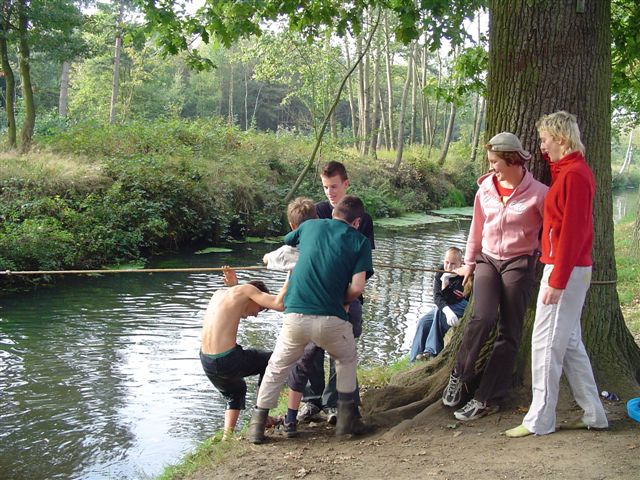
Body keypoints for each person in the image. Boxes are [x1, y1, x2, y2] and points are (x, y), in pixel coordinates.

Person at [505, 111, 608, 438]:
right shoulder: (567, 172)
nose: (541, 146)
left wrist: (557, 281)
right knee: (571, 342)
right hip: (568, 267)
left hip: (568, 269)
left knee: (545, 344)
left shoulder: (575, 175)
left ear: (560, 139)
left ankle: (540, 420)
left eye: (545, 139)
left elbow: (574, 234)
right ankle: (594, 413)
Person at [248, 195, 373, 444]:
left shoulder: (308, 226)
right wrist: (340, 299)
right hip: (332, 320)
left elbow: (288, 243)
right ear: (357, 222)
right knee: (345, 359)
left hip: (295, 317)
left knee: (277, 366)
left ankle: (257, 425)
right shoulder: (359, 241)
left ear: (332, 212)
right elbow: (358, 288)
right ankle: (347, 421)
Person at [441, 132, 548, 422]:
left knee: (509, 330)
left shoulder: (539, 193)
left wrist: (546, 261)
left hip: (519, 262)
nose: (491, 168)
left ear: (512, 160)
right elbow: (476, 230)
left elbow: (550, 231)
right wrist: (469, 265)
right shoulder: (485, 190)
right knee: (482, 317)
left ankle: (486, 397)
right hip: (487, 259)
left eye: (495, 162)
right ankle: (459, 374)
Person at [288, 161, 375, 426]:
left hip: (347, 295)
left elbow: (362, 265)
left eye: (334, 187)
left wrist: (347, 298)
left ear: (345, 184)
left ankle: (336, 403)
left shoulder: (361, 218)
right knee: (309, 348)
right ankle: (311, 401)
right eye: (325, 187)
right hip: (315, 296)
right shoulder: (317, 212)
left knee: (343, 345)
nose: (329, 192)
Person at [199, 267, 287, 440]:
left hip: (206, 361)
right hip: (226, 360)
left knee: (236, 390)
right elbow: (279, 304)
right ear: (254, 295)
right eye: (260, 308)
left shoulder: (219, 293)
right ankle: (261, 417)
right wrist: (291, 274)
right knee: (270, 359)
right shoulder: (247, 290)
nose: (256, 315)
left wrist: (234, 285)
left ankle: (227, 437)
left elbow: (231, 304)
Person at [409, 247, 468, 362]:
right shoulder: (440, 271)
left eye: (453, 264)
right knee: (423, 322)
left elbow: (450, 299)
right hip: (446, 305)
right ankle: (413, 361)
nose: (449, 267)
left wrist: (446, 284)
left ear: (461, 263)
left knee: (439, 311)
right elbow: (437, 297)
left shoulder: (464, 274)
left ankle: (432, 351)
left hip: (461, 304)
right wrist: (444, 279)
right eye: (446, 262)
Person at [262, 197, 318, 272]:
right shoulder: (329, 244)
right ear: (318, 219)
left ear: (292, 226)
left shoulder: (287, 252)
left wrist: (266, 256)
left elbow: (266, 259)